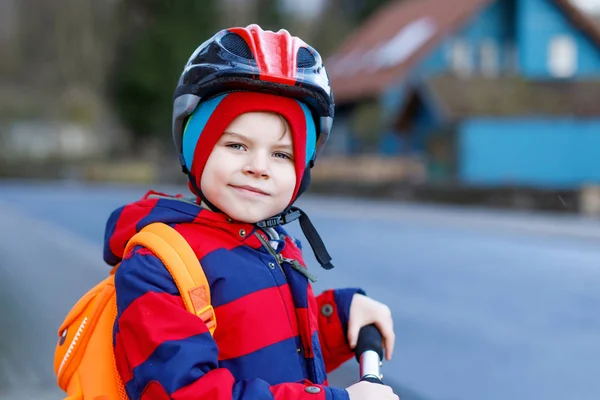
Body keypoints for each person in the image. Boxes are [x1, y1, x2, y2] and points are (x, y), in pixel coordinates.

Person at [104, 24, 398, 400]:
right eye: (237, 145)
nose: (259, 167)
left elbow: (277, 352)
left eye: (281, 154)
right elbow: (188, 392)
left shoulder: (272, 243)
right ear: (196, 149)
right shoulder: (157, 267)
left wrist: (338, 317)